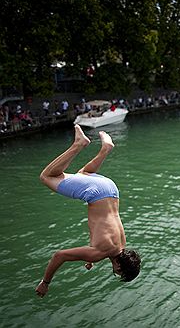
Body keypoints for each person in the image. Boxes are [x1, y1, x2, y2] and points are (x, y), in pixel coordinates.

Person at [36, 125, 140, 297]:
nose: (115, 272)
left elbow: (102, 233)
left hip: (111, 189)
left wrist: (91, 258)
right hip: (95, 193)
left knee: (82, 173)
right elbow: (59, 256)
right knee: (47, 177)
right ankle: (79, 144)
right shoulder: (101, 252)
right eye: (119, 272)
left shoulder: (121, 243)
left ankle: (106, 148)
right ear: (120, 266)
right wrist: (45, 282)